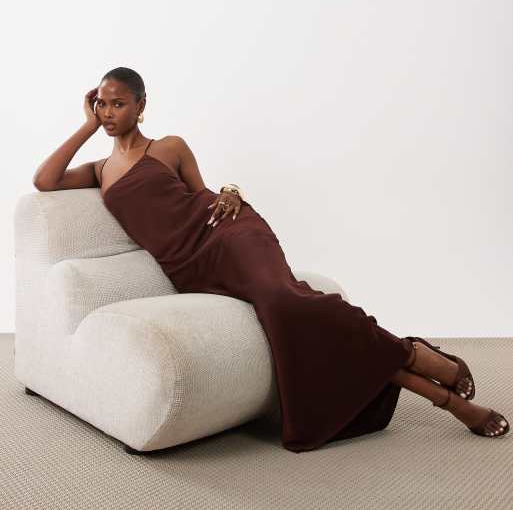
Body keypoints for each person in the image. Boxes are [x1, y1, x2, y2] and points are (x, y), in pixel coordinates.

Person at [33, 67, 510, 450]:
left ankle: (447, 399)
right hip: (191, 269)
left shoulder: (169, 147)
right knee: (297, 318)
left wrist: (232, 191)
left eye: (118, 103)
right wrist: (86, 125)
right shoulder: (101, 170)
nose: (109, 112)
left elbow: (204, 195)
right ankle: (417, 357)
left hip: (230, 237)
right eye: (102, 104)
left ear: (141, 105)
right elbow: (45, 180)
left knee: (286, 305)